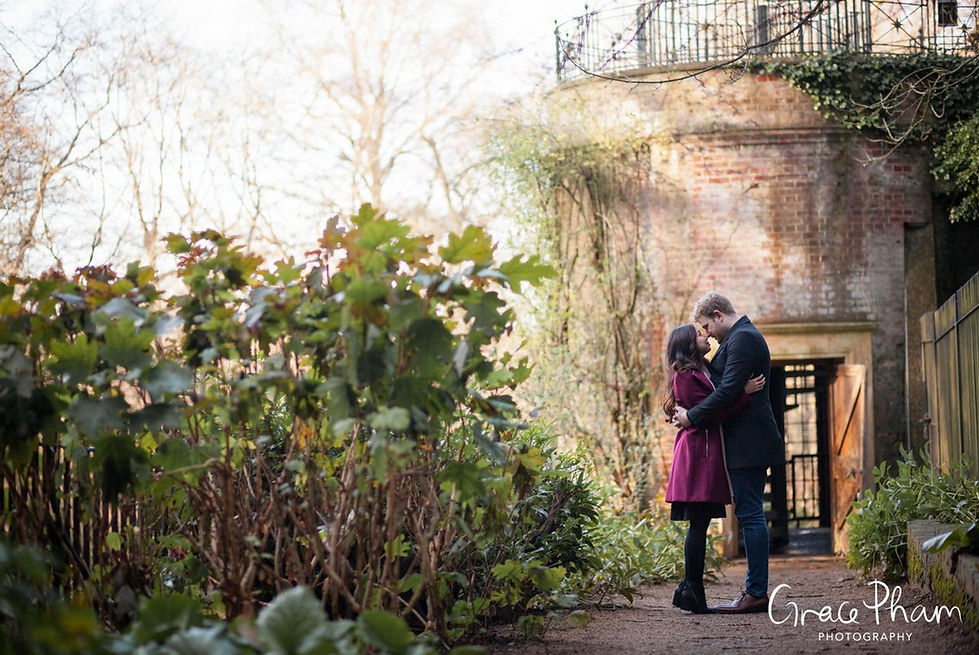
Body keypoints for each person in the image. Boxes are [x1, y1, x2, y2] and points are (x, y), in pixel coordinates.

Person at [674, 291, 785, 614]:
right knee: (749, 511)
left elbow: (726, 391)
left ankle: (755, 592)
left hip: (749, 441)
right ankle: (754, 591)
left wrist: (691, 417)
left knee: (750, 512)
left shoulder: (743, 339)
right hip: (742, 441)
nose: (707, 332)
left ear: (719, 315)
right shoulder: (735, 340)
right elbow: (719, 384)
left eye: (707, 325)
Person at [662, 323, 764, 614]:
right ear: (688, 343)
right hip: (696, 456)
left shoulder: (702, 369)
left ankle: (690, 588)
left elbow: (708, 408)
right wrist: (743, 393)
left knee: (701, 523)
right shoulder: (684, 375)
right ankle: (692, 589)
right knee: (698, 523)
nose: (706, 335)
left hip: (704, 452)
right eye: (699, 333)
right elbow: (709, 413)